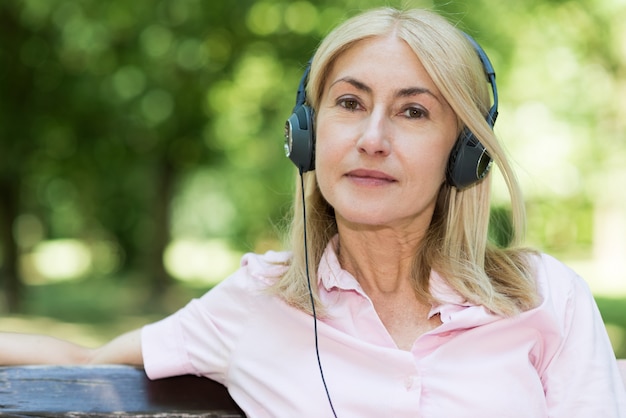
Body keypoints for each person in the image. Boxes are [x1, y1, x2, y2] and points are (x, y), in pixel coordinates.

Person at [2, 7, 625, 417]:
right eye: (350, 103)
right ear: (306, 135)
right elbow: (89, 362)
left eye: (413, 111)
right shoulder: (256, 303)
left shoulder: (548, 299)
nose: (372, 137)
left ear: (464, 152)